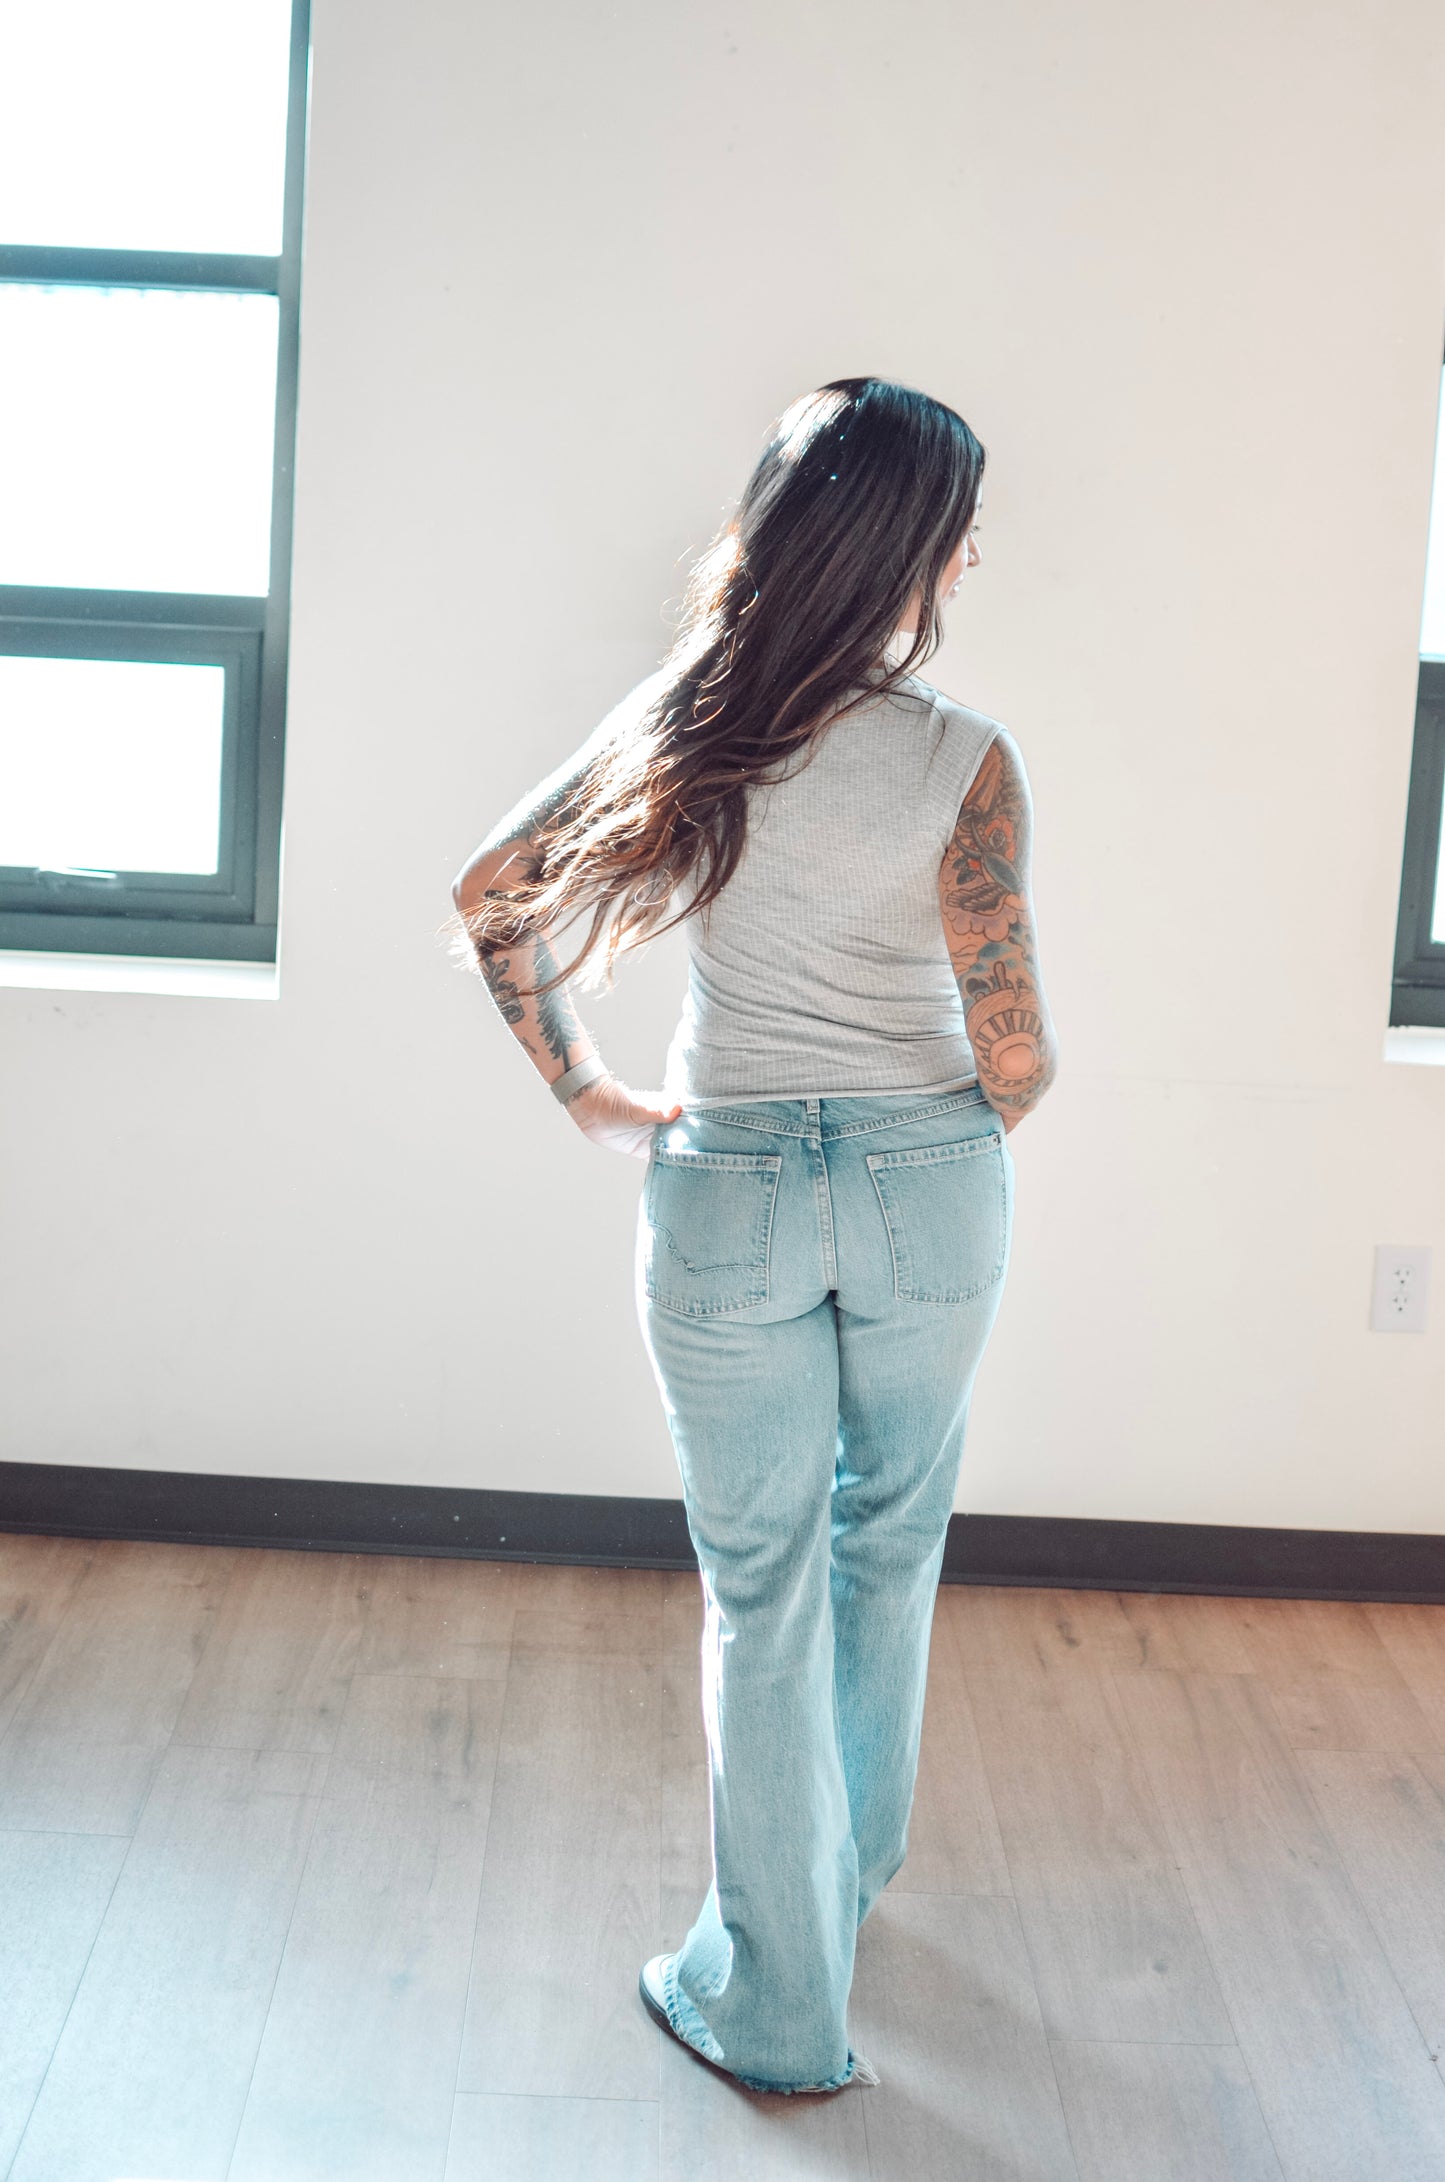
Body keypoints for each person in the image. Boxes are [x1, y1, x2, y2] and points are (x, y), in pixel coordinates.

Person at [448, 376, 1059, 2096]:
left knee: (761, 1590)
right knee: (889, 1538)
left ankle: (776, 1995)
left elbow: (492, 887)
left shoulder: (690, 716)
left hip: (721, 1182)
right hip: (924, 1180)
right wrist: (951, 1128)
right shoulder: (962, 758)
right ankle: (843, 1883)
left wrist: (585, 1090)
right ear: (916, 554)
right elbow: (1015, 1050)